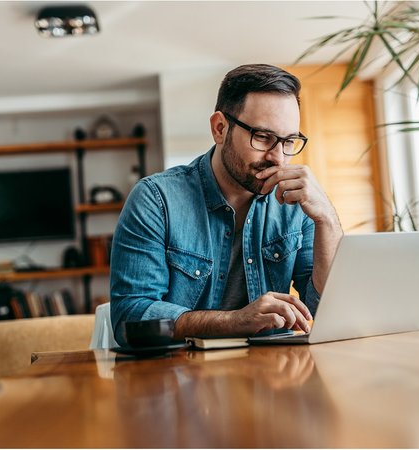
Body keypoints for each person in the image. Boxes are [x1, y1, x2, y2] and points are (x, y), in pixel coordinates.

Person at [110, 64, 343, 346]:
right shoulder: (156, 199)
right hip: (181, 377)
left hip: (273, 377)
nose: (278, 157)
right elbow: (130, 318)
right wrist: (237, 321)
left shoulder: (297, 203)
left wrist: (327, 219)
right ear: (220, 128)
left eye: (289, 141)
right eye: (263, 137)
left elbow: (330, 310)